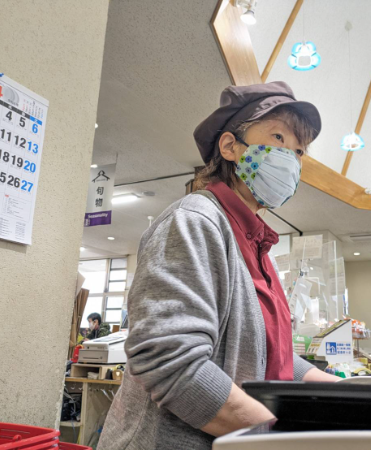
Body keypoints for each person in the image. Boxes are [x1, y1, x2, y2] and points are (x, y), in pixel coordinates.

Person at [98, 82, 339, 450]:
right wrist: (280, 438)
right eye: (278, 137)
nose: (291, 158)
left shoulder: (256, 245)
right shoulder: (194, 220)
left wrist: (351, 392)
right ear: (230, 147)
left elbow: (268, 356)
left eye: (299, 150)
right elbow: (170, 362)